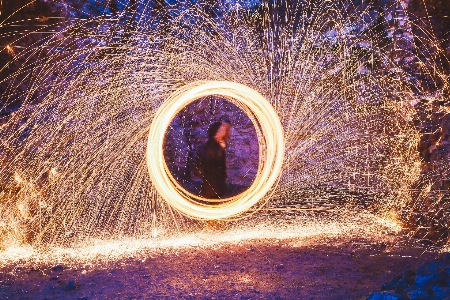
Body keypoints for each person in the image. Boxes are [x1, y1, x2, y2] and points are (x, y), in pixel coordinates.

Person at [199, 120, 231, 200]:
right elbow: (212, 161)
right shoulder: (212, 144)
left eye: (223, 130)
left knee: (215, 202)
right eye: (221, 130)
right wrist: (221, 148)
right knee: (214, 202)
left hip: (217, 180)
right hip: (212, 180)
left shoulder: (219, 143)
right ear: (216, 132)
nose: (223, 132)